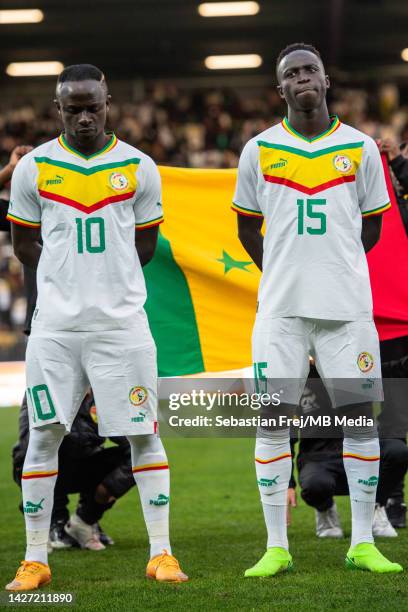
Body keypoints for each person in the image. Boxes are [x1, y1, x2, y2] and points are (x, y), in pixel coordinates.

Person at [5, 64, 187, 591]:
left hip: (122, 328)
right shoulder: (33, 168)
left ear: (109, 103)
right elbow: (23, 245)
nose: (84, 117)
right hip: (56, 332)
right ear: (57, 109)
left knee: (143, 435)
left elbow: (146, 246)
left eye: (93, 106)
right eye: (73, 108)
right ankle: (36, 559)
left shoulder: (139, 166)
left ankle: (162, 554)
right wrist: (70, 279)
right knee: (43, 437)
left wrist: (107, 282)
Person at [233, 42, 403, 576]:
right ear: (279, 88)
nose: (303, 78)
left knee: (358, 421)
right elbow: (245, 227)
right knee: (272, 423)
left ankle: (361, 543)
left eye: (311, 70)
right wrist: (286, 273)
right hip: (280, 313)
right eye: (292, 73)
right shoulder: (258, 150)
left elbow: (371, 226)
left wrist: (336, 267)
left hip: (348, 312)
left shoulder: (360, 149)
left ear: (326, 81)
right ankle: (276, 547)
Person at [287, 367, 408, 539]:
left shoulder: (355, 365)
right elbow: (285, 431)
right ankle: (325, 509)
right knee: (316, 485)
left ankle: (374, 506)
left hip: (362, 449)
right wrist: (287, 484)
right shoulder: (296, 375)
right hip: (320, 457)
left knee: (397, 451)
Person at [13, 390, 135, 551]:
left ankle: (84, 520)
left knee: (141, 455)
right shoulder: (44, 389)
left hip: (80, 464)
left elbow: (129, 441)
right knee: (53, 447)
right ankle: (54, 521)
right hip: (40, 465)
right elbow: (30, 446)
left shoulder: (102, 391)